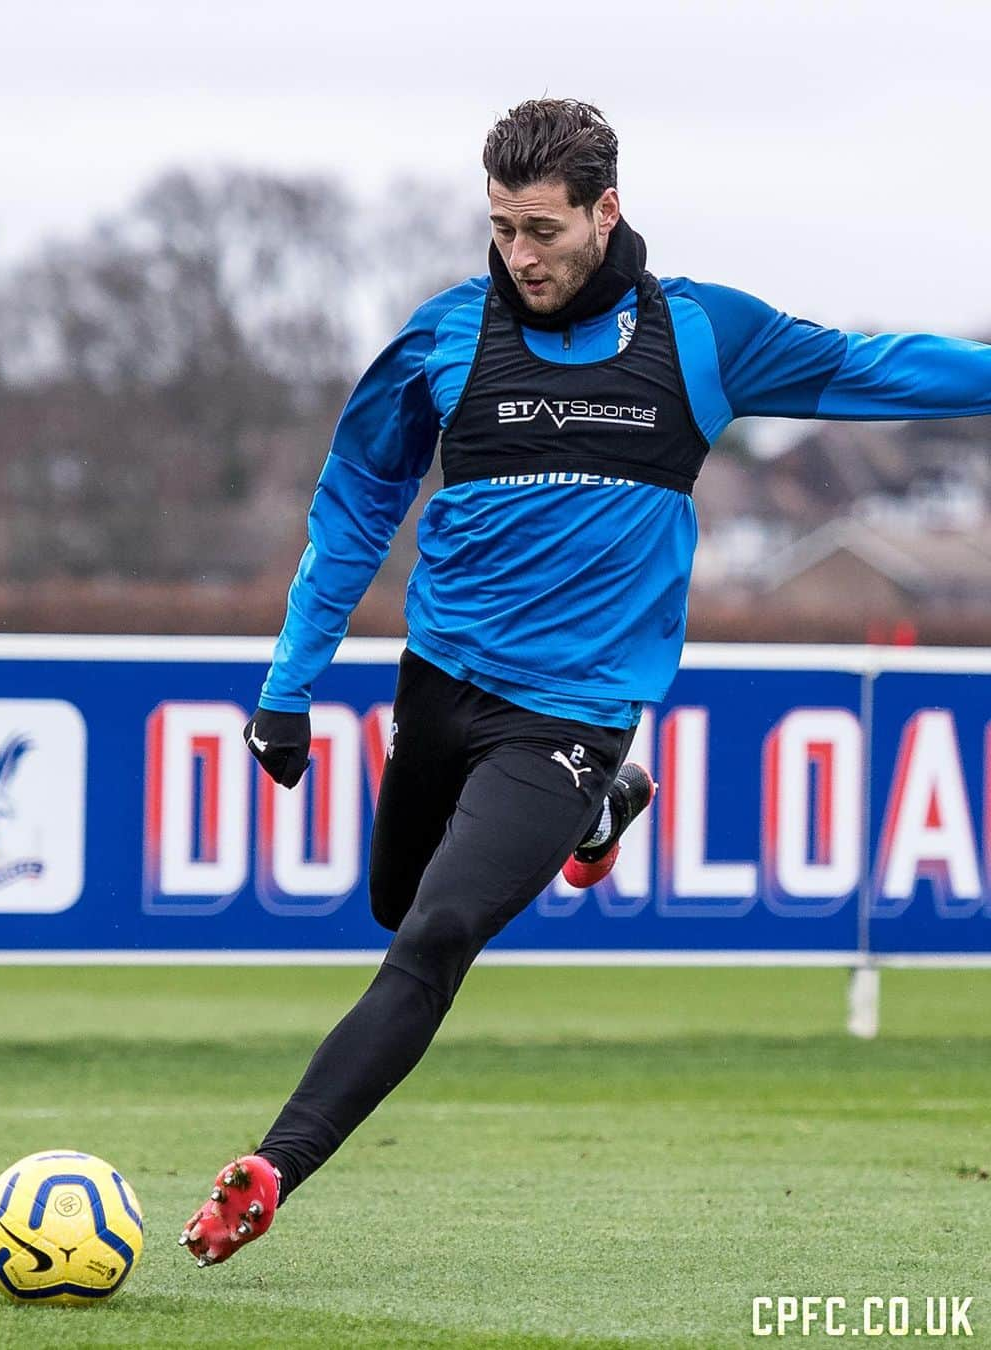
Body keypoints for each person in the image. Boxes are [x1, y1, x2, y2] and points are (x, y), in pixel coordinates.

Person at [180, 99, 991, 1264]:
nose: (522, 255)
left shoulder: (703, 335)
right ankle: (607, 808)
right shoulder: (445, 338)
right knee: (398, 904)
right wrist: (287, 685)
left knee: (436, 942)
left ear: (606, 212)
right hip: (442, 683)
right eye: (503, 227)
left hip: (573, 708)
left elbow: (882, 369)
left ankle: (271, 1168)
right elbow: (354, 508)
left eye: (544, 230)